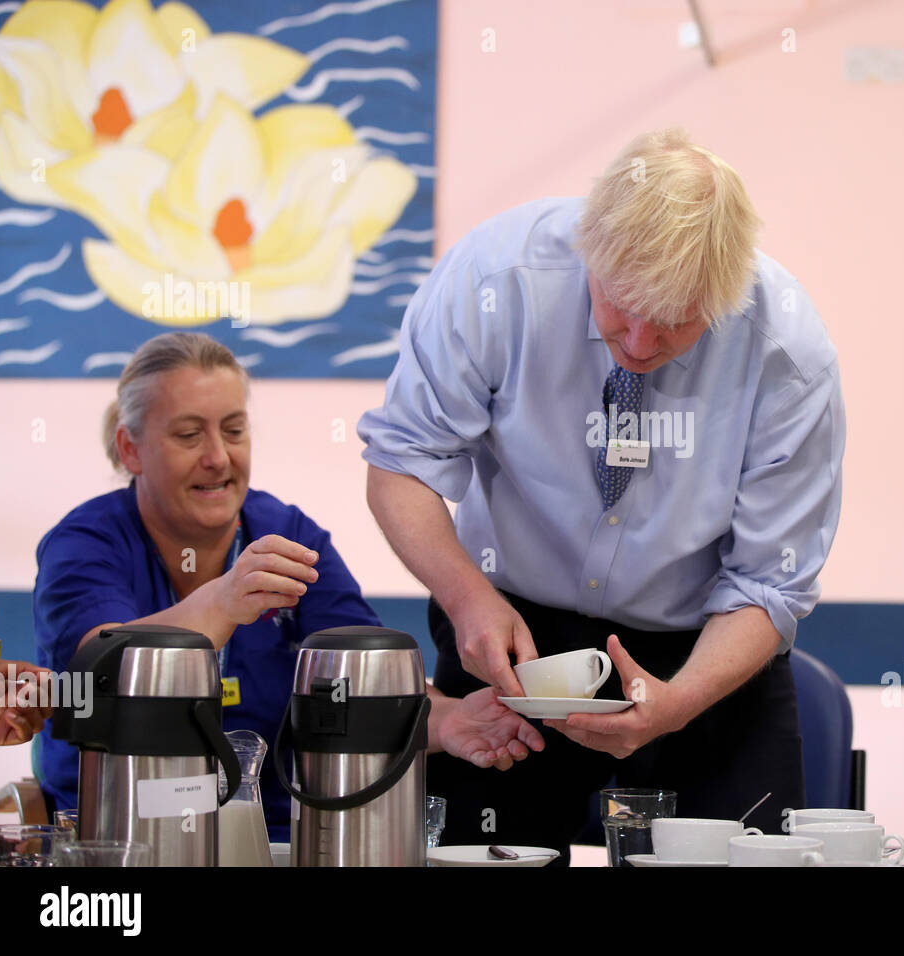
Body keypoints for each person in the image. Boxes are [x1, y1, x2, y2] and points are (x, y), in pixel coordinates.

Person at [359, 127, 845, 859]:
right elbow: (402, 462)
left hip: (703, 655)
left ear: (727, 292)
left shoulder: (787, 355)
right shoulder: (498, 281)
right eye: (621, 305)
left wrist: (676, 702)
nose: (643, 343)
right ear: (590, 247)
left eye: (678, 320)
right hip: (511, 637)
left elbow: (769, 583)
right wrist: (464, 596)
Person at [34, 333, 543, 841]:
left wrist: (450, 721)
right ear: (131, 447)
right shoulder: (85, 542)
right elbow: (99, 675)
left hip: (273, 834)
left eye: (233, 431)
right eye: (189, 436)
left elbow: (364, 679)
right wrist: (221, 600)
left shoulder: (286, 533)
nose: (217, 457)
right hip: (118, 833)